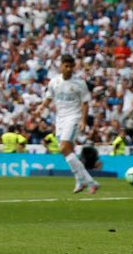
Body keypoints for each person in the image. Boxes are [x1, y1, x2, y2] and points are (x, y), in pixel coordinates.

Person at [33, 54, 99, 193]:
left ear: (74, 67)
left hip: (73, 117)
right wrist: (40, 108)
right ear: (61, 66)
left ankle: (90, 182)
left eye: (71, 66)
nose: (68, 69)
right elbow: (48, 98)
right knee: (68, 152)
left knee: (64, 147)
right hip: (60, 119)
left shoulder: (79, 83)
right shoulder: (54, 82)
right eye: (66, 66)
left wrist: (83, 120)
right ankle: (81, 181)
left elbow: (85, 103)